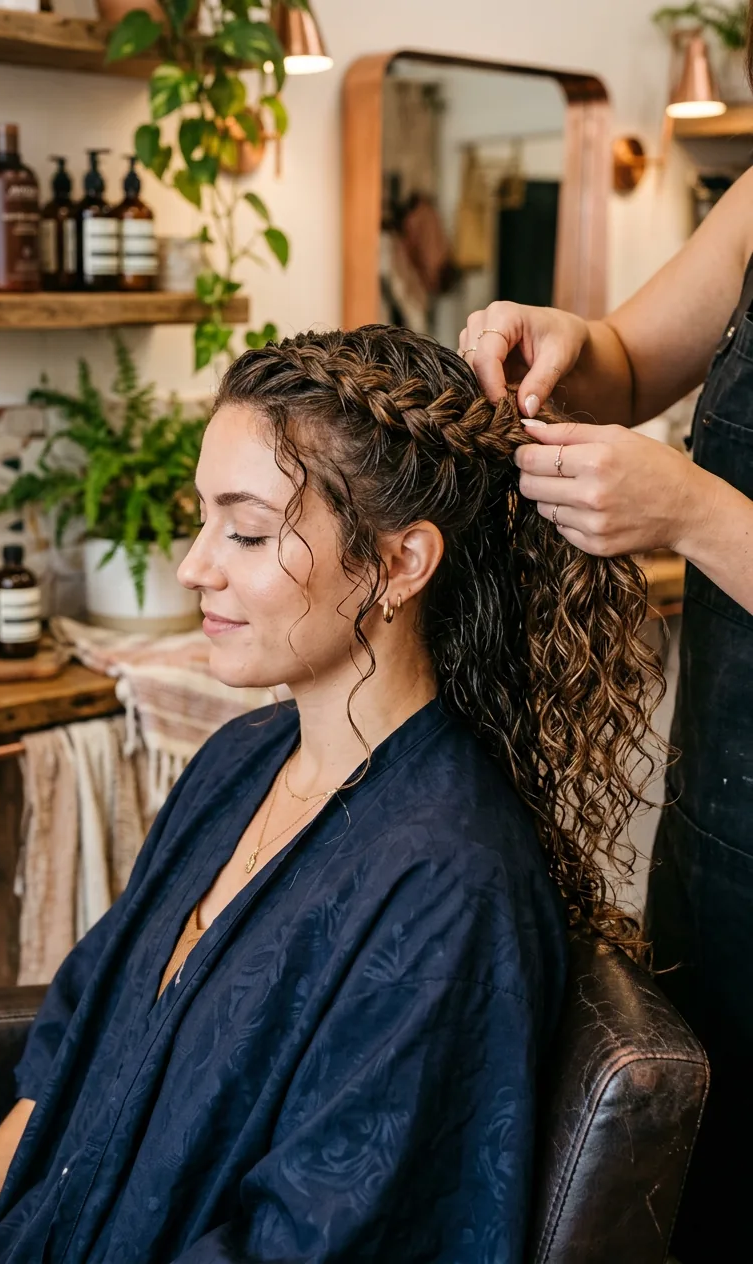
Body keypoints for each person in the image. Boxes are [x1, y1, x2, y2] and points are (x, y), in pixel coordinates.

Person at [0, 326, 661, 1264]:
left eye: (249, 531)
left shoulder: (446, 890)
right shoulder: (240, 758)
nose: (194, 566)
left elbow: (316, 1237)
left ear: (399, 563)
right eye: (202, 519)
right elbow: (72, 1061)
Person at [460, 68, 753, 1254]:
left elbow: (690, 505)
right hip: (721, 841)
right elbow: (630, 361)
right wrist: (569, 341)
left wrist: (690, 514)